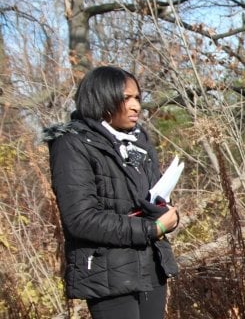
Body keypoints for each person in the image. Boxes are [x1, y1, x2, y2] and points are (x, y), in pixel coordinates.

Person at [43, 66, 180, 318]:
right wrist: (153, 229)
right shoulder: (72, 143)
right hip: (108, 271)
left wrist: (168, 213)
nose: (136, 106)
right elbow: (81, 220)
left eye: (137, 97)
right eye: (126, 98)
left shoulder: (139, 142)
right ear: (102, 99)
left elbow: (151, 198)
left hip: (151, 264)